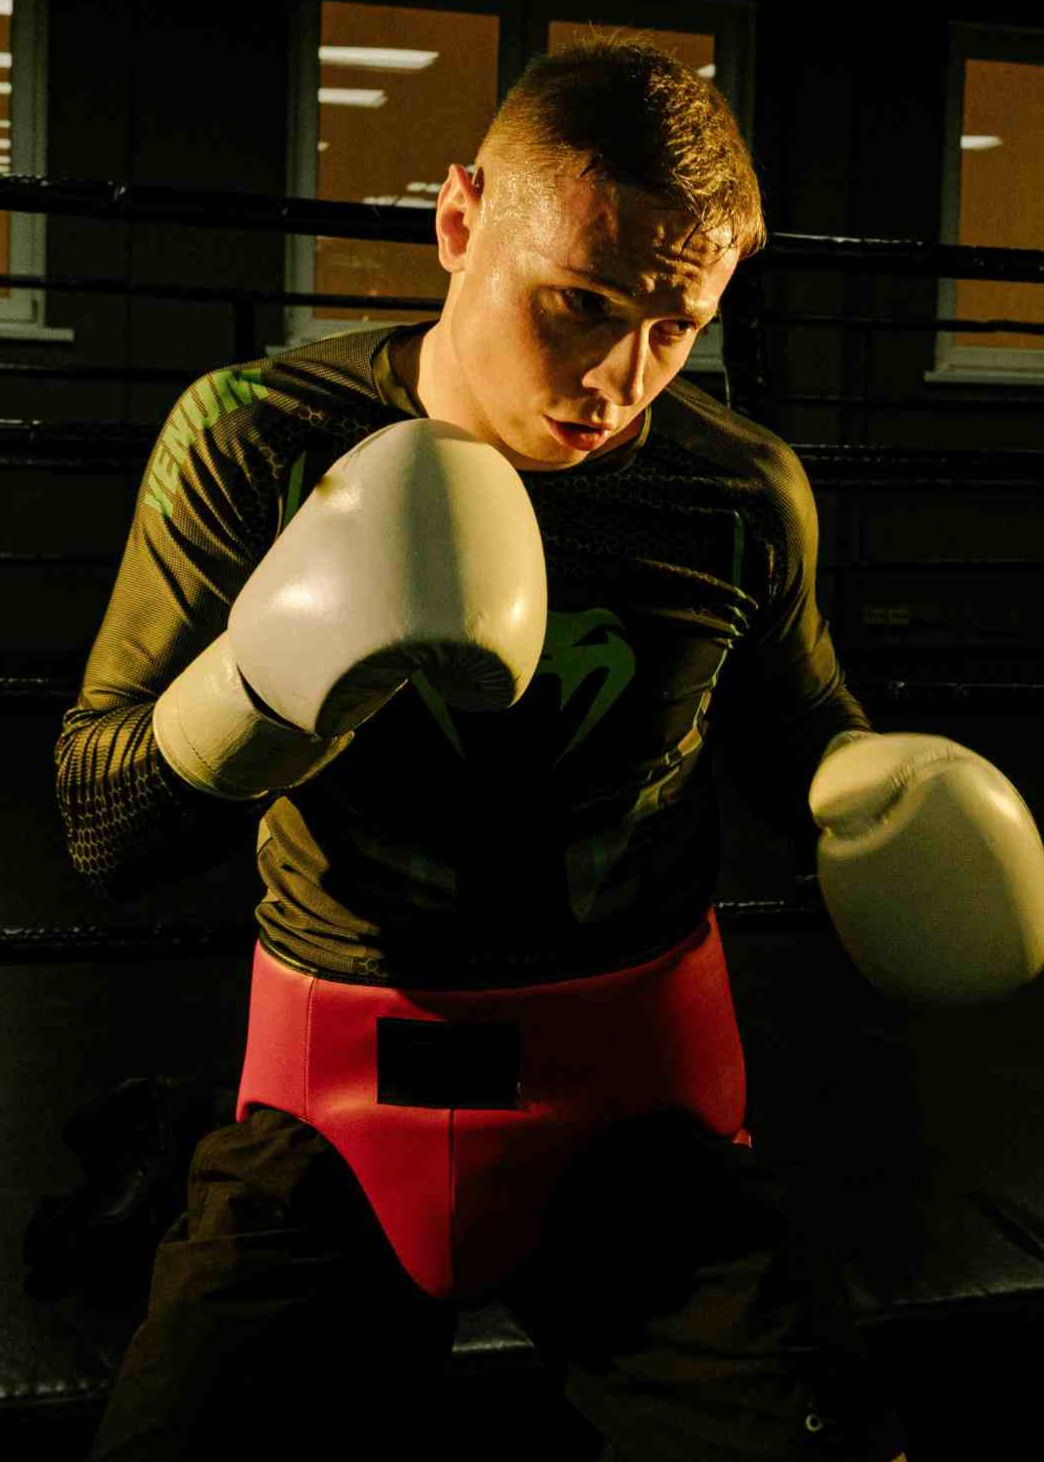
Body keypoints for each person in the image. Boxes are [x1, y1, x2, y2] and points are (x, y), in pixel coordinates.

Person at [53, 34, 926, 1462]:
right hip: (332, 1104)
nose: (619, 380)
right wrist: (264, 682)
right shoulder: (258, 439)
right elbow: (102, 825)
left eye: (677, 325)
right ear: (459, 221)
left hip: (638, 1109)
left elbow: (798, 732)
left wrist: (879, 787)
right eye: (579, 304)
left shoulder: (736, 491)